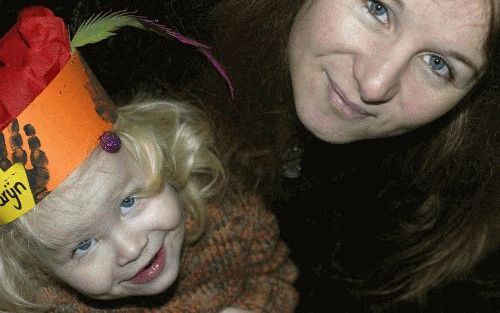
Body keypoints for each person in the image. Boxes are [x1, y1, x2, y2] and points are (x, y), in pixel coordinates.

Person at [186, 0, 500, 311]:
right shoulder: (166, 46)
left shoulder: (456, 246)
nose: (375, 85)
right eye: (378, 9)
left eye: (437, 64)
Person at [0, 6, 297, 312]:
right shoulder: (50, 307)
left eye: (128, 202)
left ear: (158, 156)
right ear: (33, 266)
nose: (130, 249)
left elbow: (273, 275)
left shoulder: (232, 217)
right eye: (83, 245)